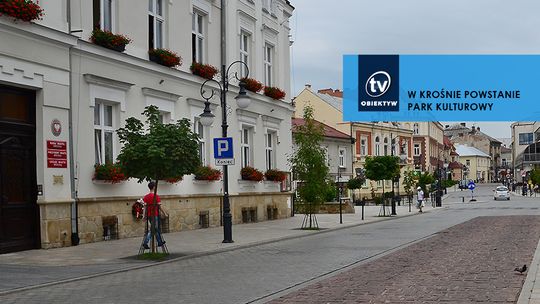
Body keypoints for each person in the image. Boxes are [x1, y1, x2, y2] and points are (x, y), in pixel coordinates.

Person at [142, 181, 165, 249]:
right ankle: (145, 242)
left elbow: (145, 208)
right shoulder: (156, 196)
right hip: (155, 214)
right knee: (153, 229)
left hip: (149, 215)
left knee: (155, 229)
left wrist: (144, 216)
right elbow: (159, 207)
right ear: (154, 187)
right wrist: (164, 213)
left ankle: (160, 242)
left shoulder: (146, 197)